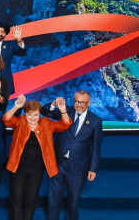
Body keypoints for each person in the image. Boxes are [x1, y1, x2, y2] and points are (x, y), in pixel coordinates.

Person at [4, 95, 71, 220]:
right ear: (25, 114)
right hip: (17, 169)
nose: (32, 118)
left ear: (39, 114)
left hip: (36, 171)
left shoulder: (46, 123)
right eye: (29, 115)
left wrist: (62, 110)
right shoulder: (20, 121)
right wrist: (16, 107)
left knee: (30, 200)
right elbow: (7, 120)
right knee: (16, 200)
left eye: (35, 115)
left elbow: (65, 124)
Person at [47, 91, 103, 220]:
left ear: (88, 103)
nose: (78, 105)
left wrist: (93, 168)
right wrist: (53, 104)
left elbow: (96, 147)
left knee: (73, 202)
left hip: (78, 168)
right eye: (76, 101)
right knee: (53, 200)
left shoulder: (95, 121)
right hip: (58, 164)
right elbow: (46, 112)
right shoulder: (65, 111)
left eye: (82, 103)